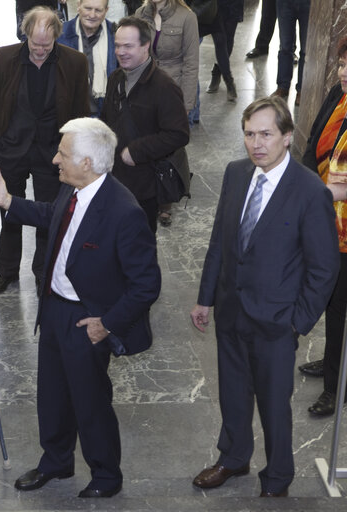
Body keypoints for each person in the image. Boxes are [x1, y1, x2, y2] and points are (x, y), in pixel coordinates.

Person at [0, 118, 160, 498]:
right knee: (53, 394)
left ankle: (107, 476)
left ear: (88, 163)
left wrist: (106, 324)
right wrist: (7, 201)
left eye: (63, 153)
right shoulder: (72, 190)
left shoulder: (124, 212)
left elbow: (146, 284)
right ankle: (56, 461)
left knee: (90, 401)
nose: (56, 159)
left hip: (88, 320)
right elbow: (50, 216)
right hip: (55, 309)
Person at [190, 96, 339, 498]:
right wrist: (206, 298)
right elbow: (220, 241)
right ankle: (233, 458)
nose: (256, 143)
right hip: (231, 311)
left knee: (275, 407)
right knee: (232, 394)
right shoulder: (236, 174)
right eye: (249, 134)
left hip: (276, 322)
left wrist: (297, 321)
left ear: (287, 137)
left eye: (266, 134)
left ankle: (277, 476)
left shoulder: (310, 190)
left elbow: (324, 267)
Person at [0, 6, 90, 296]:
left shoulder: (75, 62)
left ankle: (44, 273)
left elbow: (81, 111)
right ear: (25, 34)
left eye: (47, 44)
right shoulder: (5, 57)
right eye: (34, 44)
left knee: (48, 216)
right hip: (12, 150)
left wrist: (70, 152)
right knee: (9, 212)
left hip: (52, 153)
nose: (40, 50)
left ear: (57, 36)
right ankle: (6, 272)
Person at [100, 16, 189, 234]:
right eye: (118, 46)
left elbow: (178, 134)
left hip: (144, 186)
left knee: (141, 246)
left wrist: (136, 150)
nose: (121, 52)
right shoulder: (115, 78)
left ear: (146, 46)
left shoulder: (164, 87)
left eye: (128, 46)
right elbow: (107, 121)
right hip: (114, 180)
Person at [299, 36, 347, 416]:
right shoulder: (338, 93)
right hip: (326, 217)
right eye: (343, 63)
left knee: (341, 304)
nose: (344, 73)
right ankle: (332, 362)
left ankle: (336, 386)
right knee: (330, 297)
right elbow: (315, 139)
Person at [135, 0, 197, 228]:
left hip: (174, 90)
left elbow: (192, 63)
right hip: (146, 87)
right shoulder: (140, 14)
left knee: (169, 147)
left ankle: (166, 202)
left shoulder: (187, 18)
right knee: (146, 141)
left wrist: (187, 103)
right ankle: (147, 195)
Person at [56, 0, 117, 117]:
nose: (92, 15)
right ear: (78, 6)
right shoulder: (60, 34)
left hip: (106, 114)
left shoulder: (115, 34)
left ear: (106, 11)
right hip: (70, 113)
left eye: (98, 10)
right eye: (88, 8)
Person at [272, 0, 309, 106]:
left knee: (306, 50)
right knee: (285, 46)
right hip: (284, 3)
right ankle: (282, 86)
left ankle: (302, 89)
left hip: (309, 3)